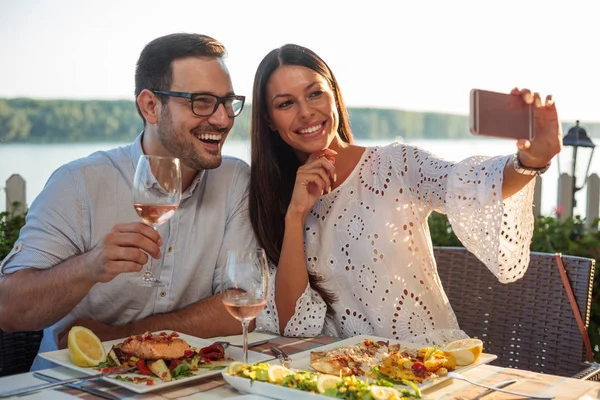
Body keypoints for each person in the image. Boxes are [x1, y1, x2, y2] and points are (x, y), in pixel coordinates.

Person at [251, 44, 562, 343]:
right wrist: (295, 215)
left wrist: (530, 161)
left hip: (429, 367)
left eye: (315, 93)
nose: (306, 112)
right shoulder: (278, 198)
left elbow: (469, 184)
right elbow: (294, 326)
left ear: (334, 94)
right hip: (345, 378)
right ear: (269, 119)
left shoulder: (395, 165)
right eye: (286, 103)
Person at [0, 33, 256, 370]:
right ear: (151, 106)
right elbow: (8, 311)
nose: (223, 119)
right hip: (74, 385)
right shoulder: (79, 182)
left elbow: (241, 306)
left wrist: (125, 335)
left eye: (227, 102)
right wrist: (90, 267)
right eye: (202, 102)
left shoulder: (235, 181)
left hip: (185, 385)